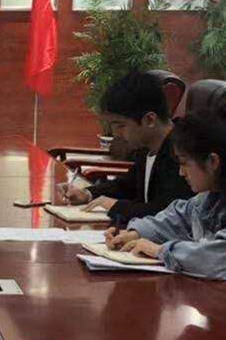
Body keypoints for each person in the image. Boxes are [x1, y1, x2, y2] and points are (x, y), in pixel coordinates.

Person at [104, 108, 226, 319]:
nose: (181, 172)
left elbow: (214, 257)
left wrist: (159, 250)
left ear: (213, 162)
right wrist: (135, 233)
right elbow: (176, 217)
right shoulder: (212, 197)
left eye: (184, 163)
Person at [57, 70, 192, 224]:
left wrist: (116, 206)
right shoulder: (146, 148)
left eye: (120, 125)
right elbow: (127, 186)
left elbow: (166, 212)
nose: (116, 134)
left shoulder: (182, 153)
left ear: (150, 120)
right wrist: (87, 193)